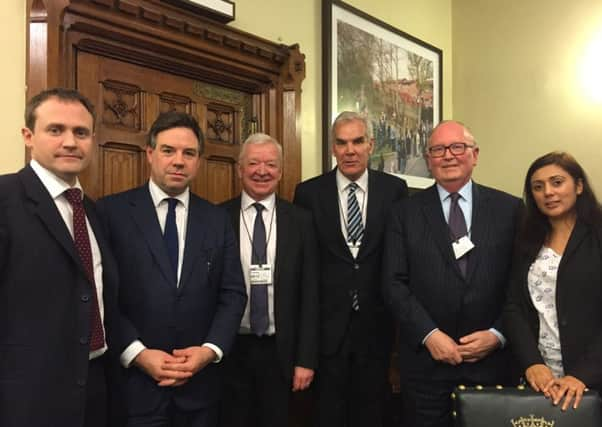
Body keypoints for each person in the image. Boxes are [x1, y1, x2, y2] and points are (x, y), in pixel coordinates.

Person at [97, 111, 247, 427]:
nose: (178, 161)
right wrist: (137, 353)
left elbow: (232, 294)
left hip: (201, 390)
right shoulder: (112, 212)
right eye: (168, 150)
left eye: (188, 153)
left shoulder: (217, 219)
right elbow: (103, 296)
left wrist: (209, 350)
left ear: (198, 161)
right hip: (135, 388)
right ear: (150, 154)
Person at [382, 120, 522, 427]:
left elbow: (521, 285)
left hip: (491, 364)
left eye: (457, 147)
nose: (448, 155)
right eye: (438, 149)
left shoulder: (510, 209)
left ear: (475, 154)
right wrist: (429, 335)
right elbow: (393, 282)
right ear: (429, 159)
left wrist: (498, 335)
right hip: (425, 366)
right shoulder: (404, 213)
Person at [0, 88, 120, 427]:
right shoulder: (5, 200)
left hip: (95, 386)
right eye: (56, 130)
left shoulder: (93, 212)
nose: (70, 142)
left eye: (80, 132)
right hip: (27, 397)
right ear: (28, 136)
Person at [294, 111, 408, 427]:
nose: (350, 150)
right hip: (328, 327)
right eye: (342, 143)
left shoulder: (394, 190)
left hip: (378, 323)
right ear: (333, 148)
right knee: (328, 411)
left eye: (358, 141)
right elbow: (304, 264)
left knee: (373, 410)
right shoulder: (309, 193)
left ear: (371, 144)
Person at [219, 133, 319, 427]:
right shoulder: (216, 217)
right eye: (253, 163)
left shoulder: (302, 221)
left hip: (282, 351)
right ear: (239, 169)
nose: (262, 171)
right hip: (230, 348)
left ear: (281, 171)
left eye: (271, 164)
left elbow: (311, 295)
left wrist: (306, 359)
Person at [503, 151, 602, 411]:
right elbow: (513, 306)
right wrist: (532, 363)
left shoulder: (597, 234)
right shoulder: (526, 239)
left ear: (579, 186)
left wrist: (584, 374)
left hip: (590, 378)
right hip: (540, 381)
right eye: (538, 187)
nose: (548, 192)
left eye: (557, 182)